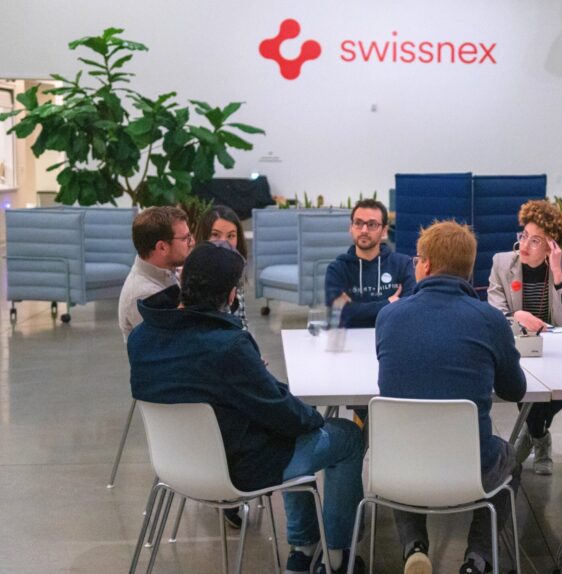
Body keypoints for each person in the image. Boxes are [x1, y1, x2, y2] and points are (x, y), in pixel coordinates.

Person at [128, 241, 366, 574]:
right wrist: (313, 418)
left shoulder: (141, 337)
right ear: (229, 295)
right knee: (345, 436)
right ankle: (337, 555)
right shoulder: (227, 346)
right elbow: (282, 413)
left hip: (174, 467)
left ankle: (304, 547)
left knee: (286, 431)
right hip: (238, 468)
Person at [377, 221, 526, 574]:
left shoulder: (389, 316)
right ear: (469, 268)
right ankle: (477, 559)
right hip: (470, 465)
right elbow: (514, 390)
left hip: (402, 465)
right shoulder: (490, 320)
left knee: (407, 441)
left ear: (426, 265)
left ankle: (414, 545)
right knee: (511, 459)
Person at [488, 199, 562, 475]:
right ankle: (541, 440)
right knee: (522, 384)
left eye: (536, 241)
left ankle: (532, 433)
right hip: (518, 348)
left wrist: (557, 274)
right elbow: (495, 315)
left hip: (553, 352)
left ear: (552, 245)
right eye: (524, 236)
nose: (525, 246)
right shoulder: (503, 264)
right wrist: (518, 318)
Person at [325, 198, 415, 328]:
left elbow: (408, 309)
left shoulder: (403, 264)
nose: (364, 230)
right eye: (358, 223)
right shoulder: (337, 269)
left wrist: (357, 309)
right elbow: (341, 313)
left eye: (372, 224)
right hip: (350, 342)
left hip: (391, 340)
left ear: (384, 231)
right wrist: (389, 303)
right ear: (351, 228)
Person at [117, 206, 192, 340]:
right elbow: (179, 341)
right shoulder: (145, 295)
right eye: (185, 238)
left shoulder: (167, 270)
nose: (191, 243)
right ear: (162, 247)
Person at [194, 205, 249, 329]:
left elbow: (241, 321)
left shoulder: (237, 266)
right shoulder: (194, 274)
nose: (224, 242)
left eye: (230, 236)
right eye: (215, 235)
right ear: (204, 237)